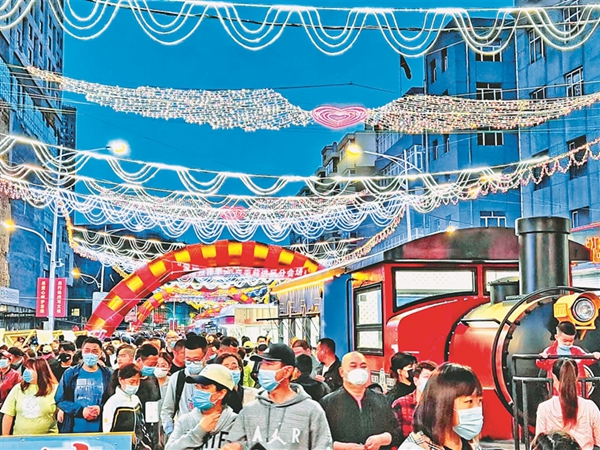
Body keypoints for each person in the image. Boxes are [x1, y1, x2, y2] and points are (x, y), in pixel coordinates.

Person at [222, 343, 333, 450]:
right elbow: (234, 443)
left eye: (269, 364)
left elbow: (323, 446)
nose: (262, 369)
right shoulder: (249, 410)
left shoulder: (311, 410)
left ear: (287, 371)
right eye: (262, 364)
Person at [320, 351, 399, 450]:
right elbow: (319, 441)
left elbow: (396, 433)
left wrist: (382, 439)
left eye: (363, 366)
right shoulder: (328, 403)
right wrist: (344, 447)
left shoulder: (382, 400)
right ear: (341, 372)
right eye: (353, 366)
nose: (359, 370)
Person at [399, 363, 483, 450]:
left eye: (480, 401)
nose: (477, 408)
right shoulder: (415, 447)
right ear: (443, 404)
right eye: (469, 401)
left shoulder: (472, 445)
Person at [165, 364, 237, 450]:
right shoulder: (185, 421)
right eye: (197, 387)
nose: (198, 391)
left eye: (204, 387)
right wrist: (199, 431)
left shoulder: (235, 423)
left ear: (221, 393)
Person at [535, 358, 600, 450]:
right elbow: (598, 441)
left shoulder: (544, 408)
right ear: (577, 377)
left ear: (554, 378)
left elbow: (540, 443)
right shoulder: (590, 407)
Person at [55, 337, 113, 433]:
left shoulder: (108, 374)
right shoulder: (70, 373)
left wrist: (100, 408)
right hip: (73, 429)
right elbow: (60, 399)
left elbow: (112, 399)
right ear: (82, 352)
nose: (90, 354)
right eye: (87, 350)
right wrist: (81, 411)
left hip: (101, 430)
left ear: (100, 354)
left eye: (94, 351)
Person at [161, 335, 207, 437]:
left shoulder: (214, 377)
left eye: (196, 360)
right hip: (182, 435)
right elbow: (167, 410)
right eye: (188, 360)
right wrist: (170, 432)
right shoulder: (177, 378)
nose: (192, 363)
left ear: (205, 356)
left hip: (208, 436)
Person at [1, 357, 58, 435]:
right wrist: (5, 437)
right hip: (20, 438)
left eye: (30, 369)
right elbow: (8, 414)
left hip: (47, 438)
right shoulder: (18, 388)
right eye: (26, 368)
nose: (27, 371)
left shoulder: (54, 389)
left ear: (40, 372)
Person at [102, 364, 152, 450]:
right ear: (121, 380)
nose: (135, 385)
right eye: (132, 382)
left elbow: (141, 425)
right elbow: (108, 433)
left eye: (137, 382)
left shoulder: (136, 399)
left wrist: (146, 443)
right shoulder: (112, 403)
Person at [392, 361, 437, 440]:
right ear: (416, 381)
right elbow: (393, 436)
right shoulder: (401, 404)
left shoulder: (440, 407)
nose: (430, 381)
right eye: (426, 377)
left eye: (433, 378)